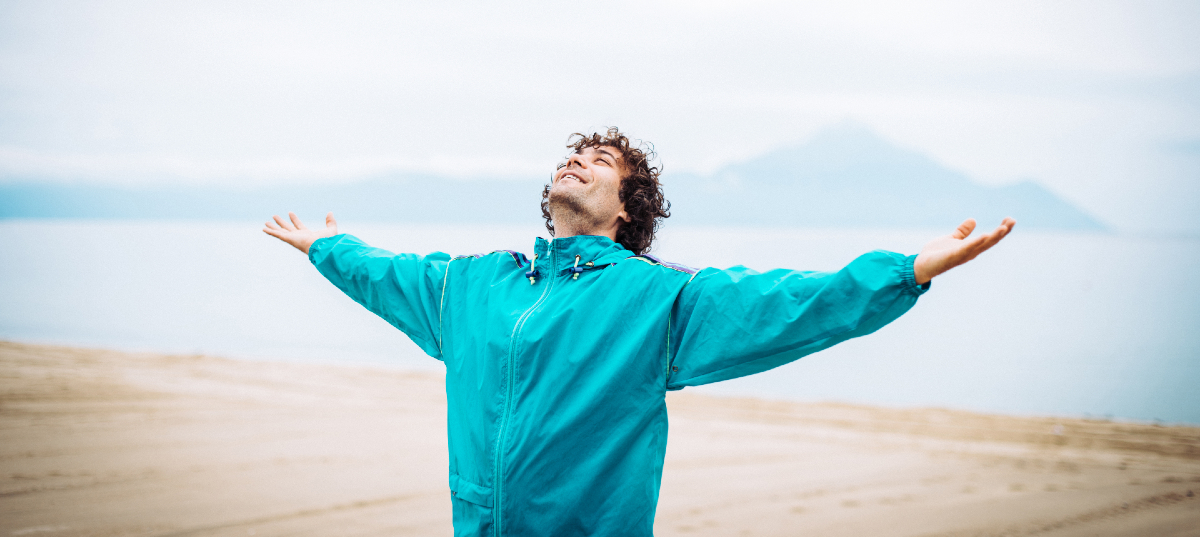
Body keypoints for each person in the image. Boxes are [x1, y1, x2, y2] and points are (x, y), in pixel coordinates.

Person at [263, 128, 1015, 537]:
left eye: (599, 161)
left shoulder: (656, 299)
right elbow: (389, 273)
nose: (575, 161)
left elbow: (788, 302)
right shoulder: (475, 284)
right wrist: (328, 248)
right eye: (571, 155)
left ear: (627, 210)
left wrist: (907, 270)